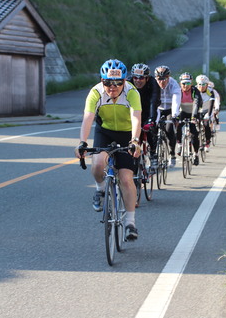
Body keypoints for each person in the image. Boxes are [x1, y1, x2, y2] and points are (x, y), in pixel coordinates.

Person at [75, 59, 142, 240]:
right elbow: (88, 118)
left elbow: (136, 118)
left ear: (124, 81)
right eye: (108, 83)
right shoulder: (96, 92)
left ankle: (130, 222)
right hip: (105, 132)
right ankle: (101, 188)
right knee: (97, 164)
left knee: (126, 179)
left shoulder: (132, 92)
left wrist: (135, 140)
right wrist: (82, 142)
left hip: (127, 134)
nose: (112, 87)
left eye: (118, 83)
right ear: (102, 80)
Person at [127, 63, 160, 172]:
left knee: (150, 128)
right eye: (135, 77)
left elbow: (153, 102)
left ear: (147, 78)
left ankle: (153, 154)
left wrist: (151, 120)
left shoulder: (153, 83)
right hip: (133, 111)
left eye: (141, 78)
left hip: (149, 109)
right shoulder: (128, 83)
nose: (138, 80)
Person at [154, 65, 181, 167]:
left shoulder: (174, 84)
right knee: (153, 128)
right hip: (158, 108)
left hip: (170, 109)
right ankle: (154, 153)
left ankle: (172, 154)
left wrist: (174, 115)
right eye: (159, 79)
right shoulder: (153, 84)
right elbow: (152, 101)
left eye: (164, 79)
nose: (161, 82)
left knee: (169, 129)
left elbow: (176, 100)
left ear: (168, 77)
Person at [175, 72, 202, 165]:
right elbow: (176, 104)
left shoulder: (195, 91)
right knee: (177, 126)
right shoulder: (178, 91)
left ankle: (196, 154)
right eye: (183, 83)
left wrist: (194, 117)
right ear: (180, 83)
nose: (185, 86)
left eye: (188, 83)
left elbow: (196, 103)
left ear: (191, 83)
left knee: (194, 133)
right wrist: (176, 116)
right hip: (183, 112)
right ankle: (179, 144)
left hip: (193, 112)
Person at [195, 74, 215, 152]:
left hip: (207, 109)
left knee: (206, 124)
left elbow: (212, 102)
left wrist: (208, 114)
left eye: (204, 84)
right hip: (197, 109)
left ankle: (207, 142)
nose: (202, 86)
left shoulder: (210, 91)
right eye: (200, 84)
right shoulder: (194, 90)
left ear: (207, 85)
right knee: (194, 124)